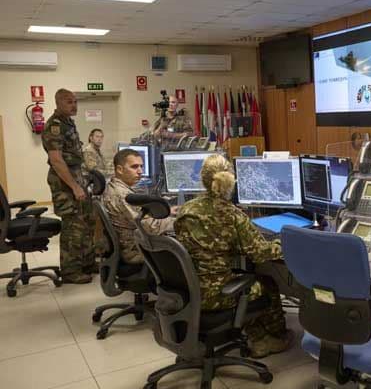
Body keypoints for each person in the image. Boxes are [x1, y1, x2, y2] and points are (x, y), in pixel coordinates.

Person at [175, 155, 292, 358]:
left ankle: (251, 332)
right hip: (217, 294)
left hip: (187, 289)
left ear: (203, 179)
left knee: (248, 276)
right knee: (268, 285)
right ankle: (268, 340)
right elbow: (259, 252)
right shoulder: (233, 215)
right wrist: (283, 244)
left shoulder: (186, 210)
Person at [41, 88, 95, 284]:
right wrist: (74, 187)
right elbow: (56, 160)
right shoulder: (54, 126)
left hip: (77, 178)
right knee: (73, 225)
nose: (74, 105)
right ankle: (71, 271)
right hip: (65, 183)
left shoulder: (68, 123)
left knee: (87, 221)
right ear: (58, 103)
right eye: (69, 102)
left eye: (75, 101)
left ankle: (88, 262)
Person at [102, 148, 175, 264]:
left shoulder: (114, 187)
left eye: (141, 166)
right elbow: (151, 228)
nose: (140, 171)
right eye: (134, 167)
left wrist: (168, 211)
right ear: (120, 169)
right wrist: (180, 220)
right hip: (136, 250)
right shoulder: (123, 195)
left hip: (134, 244)